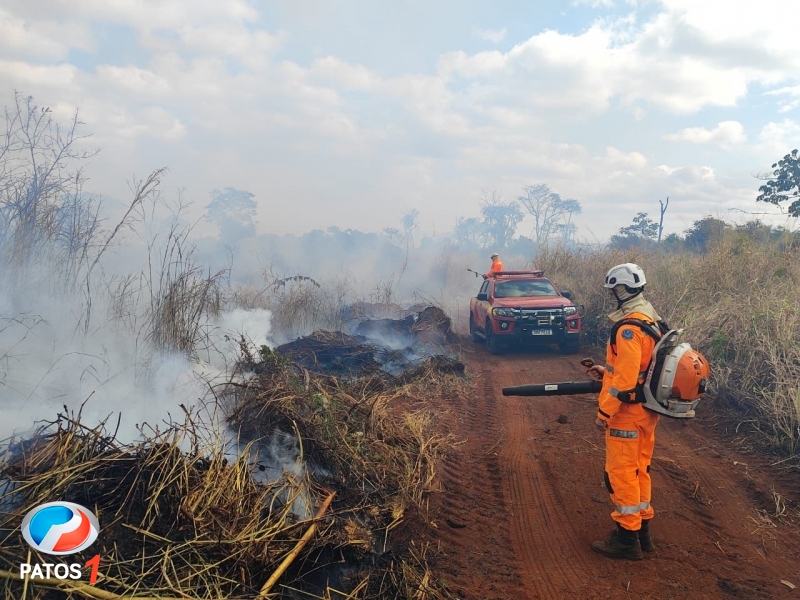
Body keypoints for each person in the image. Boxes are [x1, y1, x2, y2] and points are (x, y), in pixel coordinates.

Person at [585, 263, 662, 560]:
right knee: (640, 469)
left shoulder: (628, 328)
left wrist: (604, 413)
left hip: (626, 414)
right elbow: (638, 369)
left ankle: (627, 540)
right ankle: (643, 533)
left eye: (612, 290)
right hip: (646, 410)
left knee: (620, 473)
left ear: (622, 289)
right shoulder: (650, 319)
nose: (611, 295)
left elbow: (626, 381)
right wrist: (606, 371)